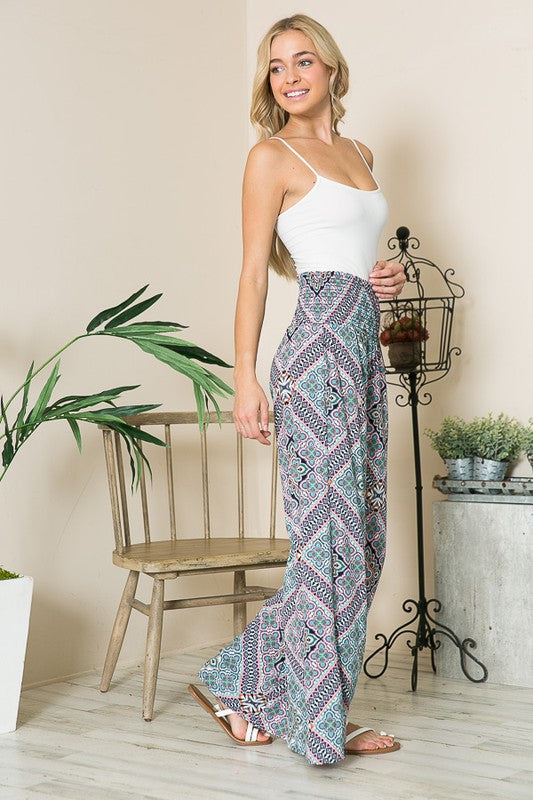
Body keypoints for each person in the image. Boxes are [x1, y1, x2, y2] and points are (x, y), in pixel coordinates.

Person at [188, 13, 406, 766]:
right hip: (312, 355)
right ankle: (322, 727)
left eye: (302, 60)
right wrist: (243, 377)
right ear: (268, 84)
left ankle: (233, 678)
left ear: (331, 71)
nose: (289, 76)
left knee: (365, 545)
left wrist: (385, 277)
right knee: (328, 548)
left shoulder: (358, 151)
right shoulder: (268, 157)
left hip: (361, 351)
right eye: (276, 67)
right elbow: (254, 272)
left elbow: (352, 249)